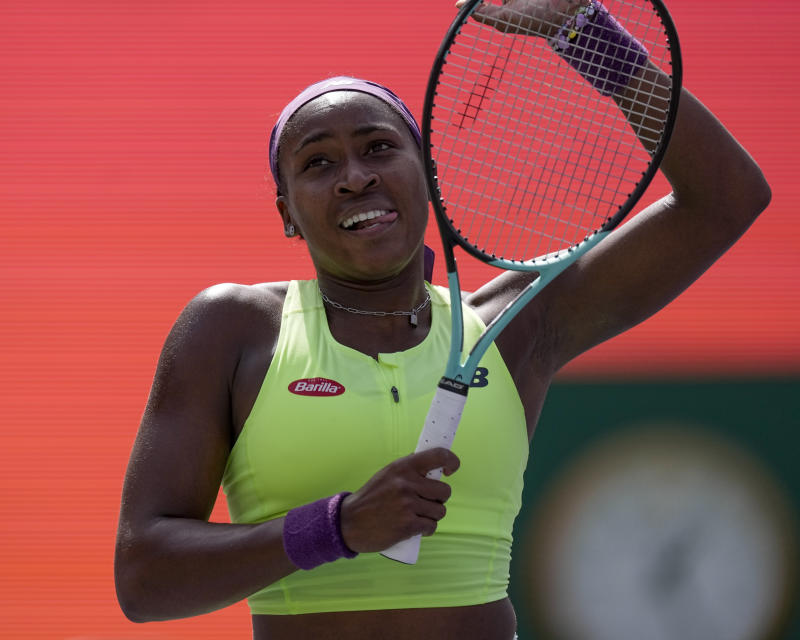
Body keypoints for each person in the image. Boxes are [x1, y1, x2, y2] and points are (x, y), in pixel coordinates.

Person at [114, 1, 770, 638]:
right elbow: (144, 577)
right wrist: (335, 528)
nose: (353, 177)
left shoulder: (514, 325)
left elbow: (726, 198)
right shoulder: (232, 330)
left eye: (378, 148)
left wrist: (585, 34)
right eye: (318, 162)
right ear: (286, 211)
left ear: (425, 174)